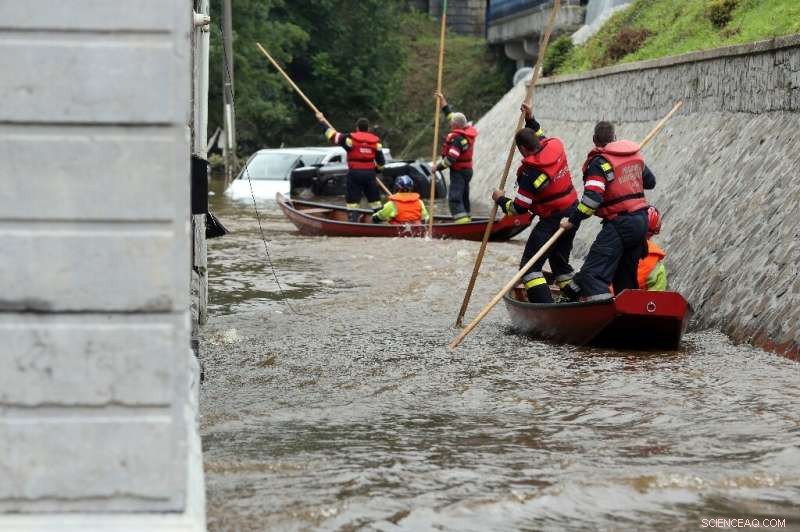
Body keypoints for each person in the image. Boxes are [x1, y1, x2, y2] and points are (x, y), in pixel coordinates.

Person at [560, 121, 657, 301]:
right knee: (625, 275)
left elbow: (591, 200)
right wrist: (630, 170)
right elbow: (650, 182)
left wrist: (572, 220)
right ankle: (629, 313)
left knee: (592, 274)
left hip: (621, 224)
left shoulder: (598, 163)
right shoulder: (634, 157)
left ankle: (603, 312)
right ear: (614, 138)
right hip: (641, 222)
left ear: (594, 140)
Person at [492, 103, 578, 304]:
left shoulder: (531, 174)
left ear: (522, 149)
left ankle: (547, 310)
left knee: (530, 269)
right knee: (560, 265)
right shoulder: (554, 148)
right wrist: (530, 119)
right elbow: (539, 134)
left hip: (553, 219)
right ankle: (578, 299)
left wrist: (500, 199)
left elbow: (519, 208)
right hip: (573, 213)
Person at [316, 112, 386, 222]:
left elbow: (332, 135)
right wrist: (375, 171)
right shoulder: (376, 143)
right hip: (369, 174)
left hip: (355, 173)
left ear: (357, 128)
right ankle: (379, 222)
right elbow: (381, 163)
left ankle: (353, 220)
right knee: (375, 200)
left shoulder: (350, 139)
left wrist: (321, 122)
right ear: (368, 129)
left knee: (353, 199)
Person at [434, 92, 478, 224]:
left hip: (458, 171)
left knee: (454, 198)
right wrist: (443, 101)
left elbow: (450, 159)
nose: (450, 125)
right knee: (464, 196)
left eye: (451, 124)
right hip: (468, 170)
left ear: (456, 126)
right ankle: (467, 218)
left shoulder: (458, 139)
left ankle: (462, 224)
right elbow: (451, 116)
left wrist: (437, 168)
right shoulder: (466, 130)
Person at [637, 205, 667, 291]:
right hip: (635, 302)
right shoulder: (656, 266)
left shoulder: (608, 245)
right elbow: (657, 300)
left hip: (603, 300)